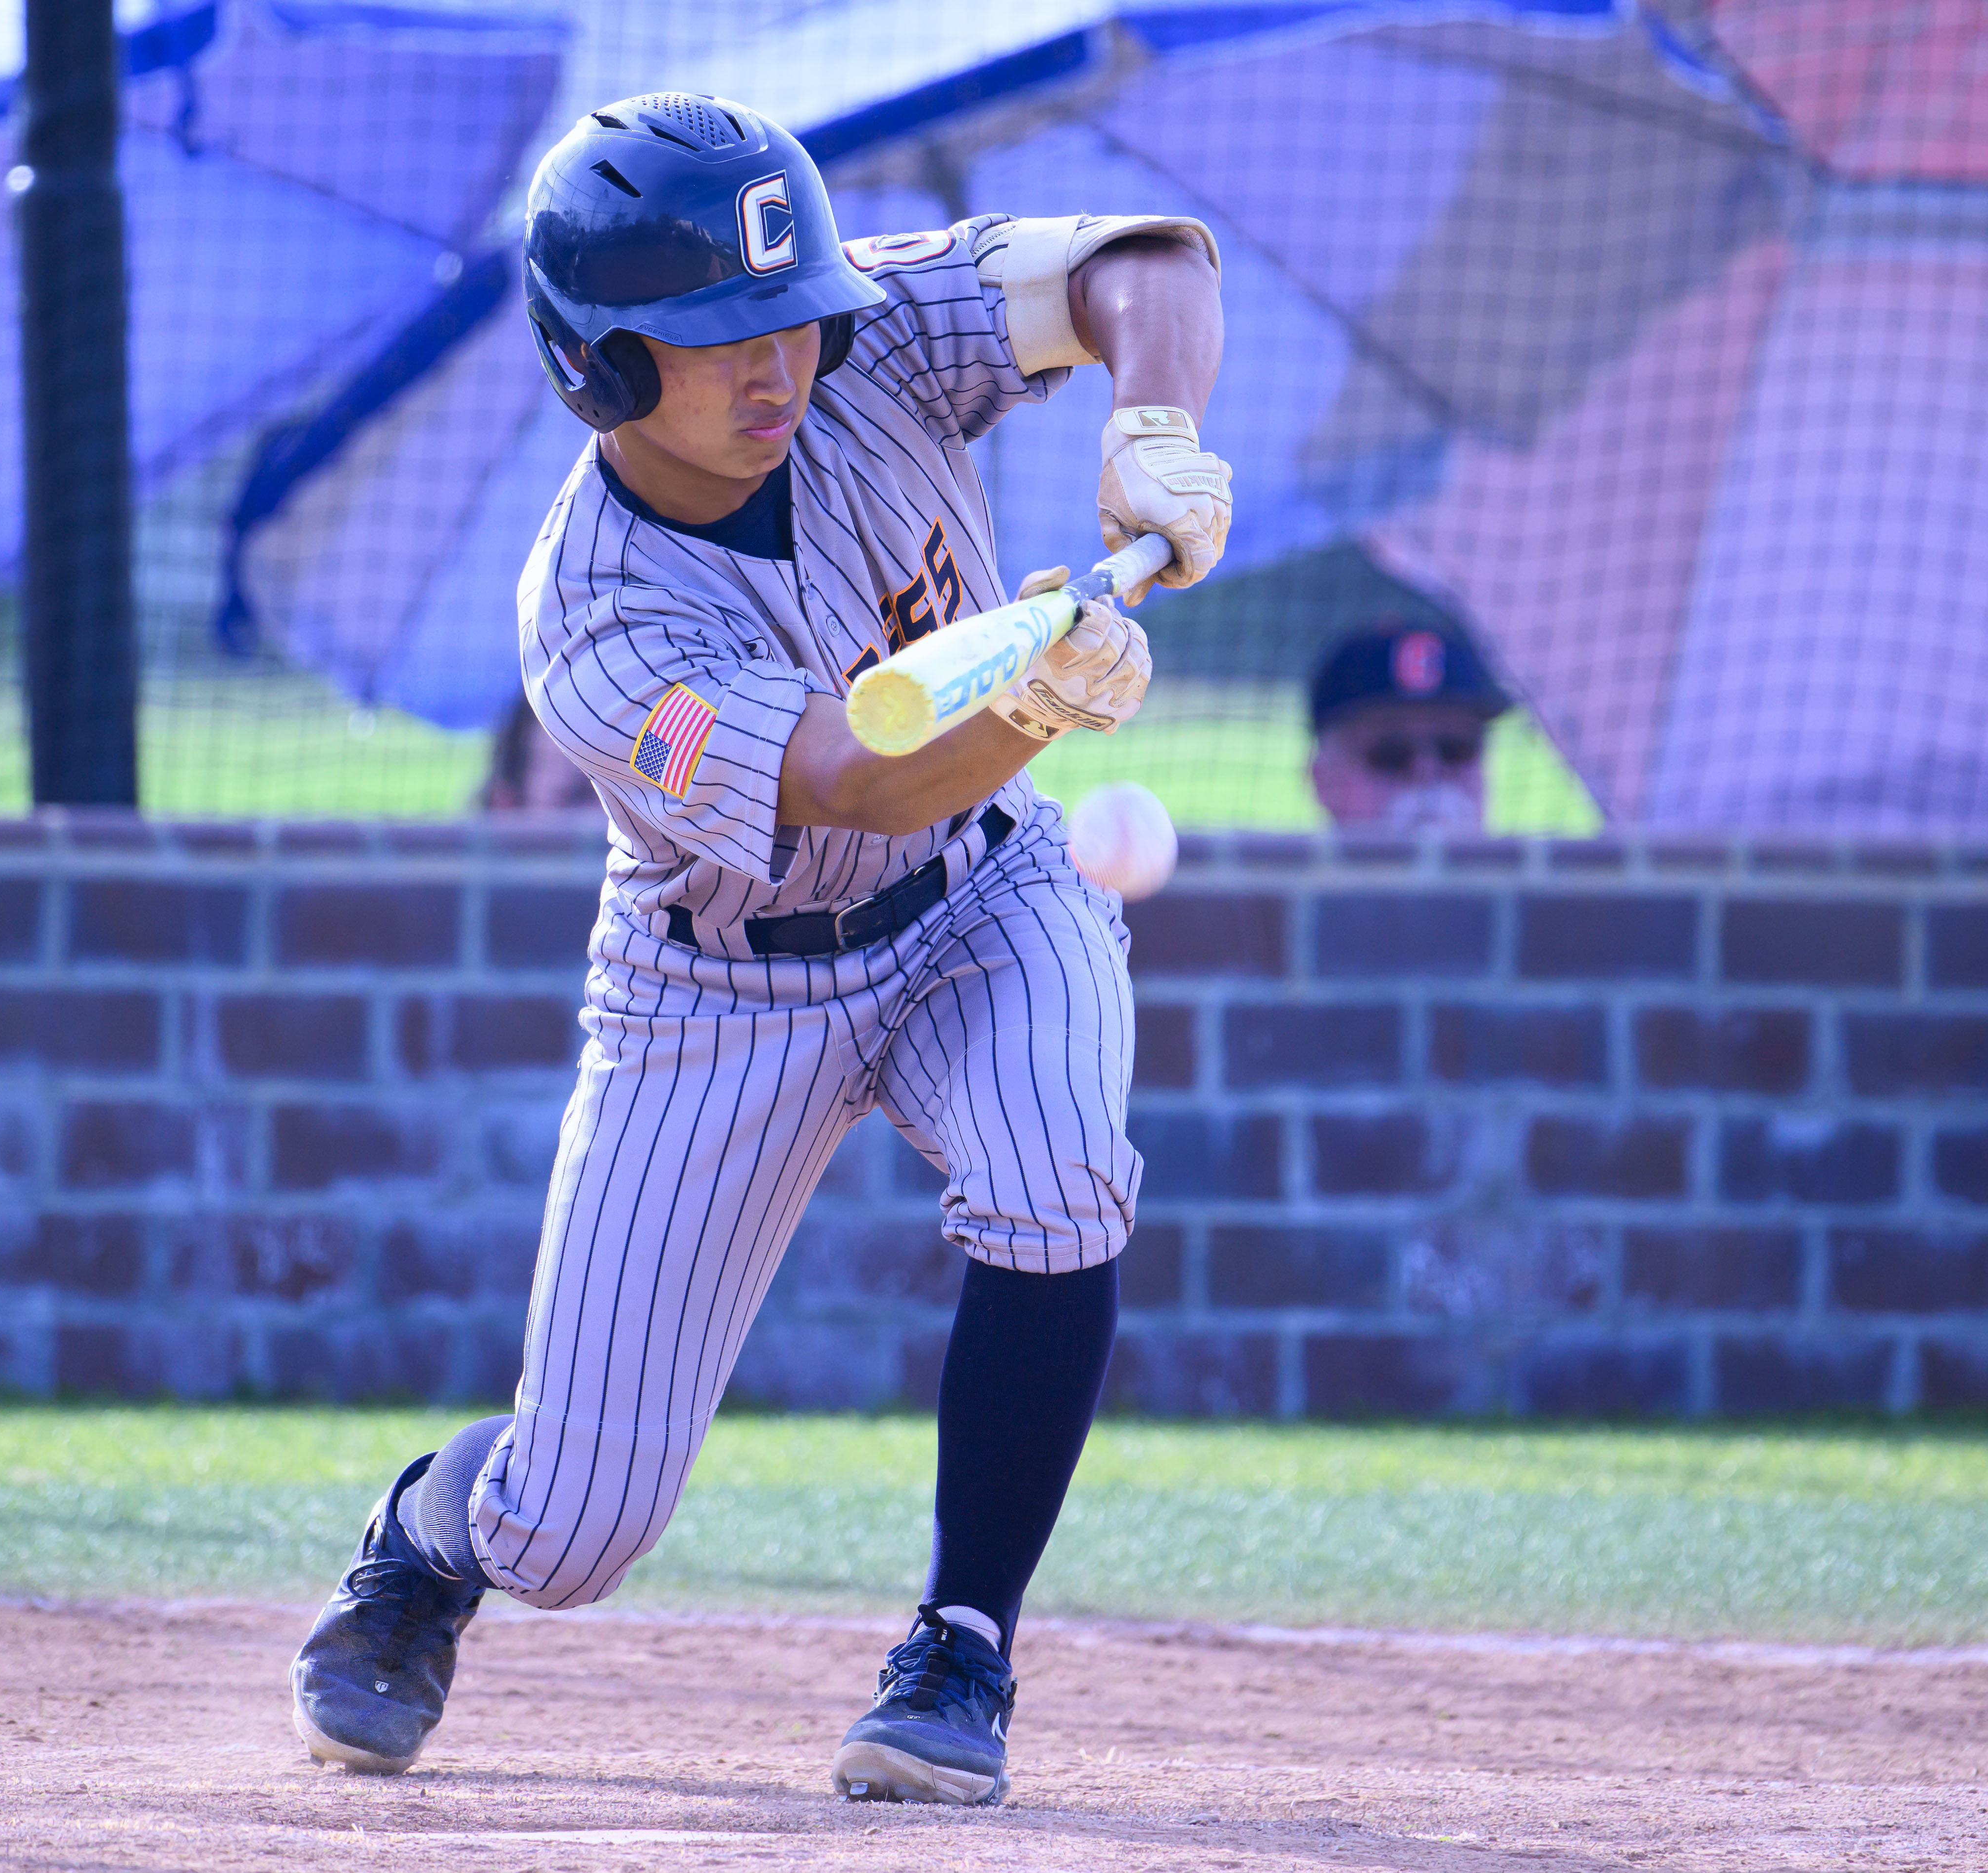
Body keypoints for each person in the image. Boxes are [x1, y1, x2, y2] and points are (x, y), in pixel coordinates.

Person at [288, 91, 1230, 1808]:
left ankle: (961, 1642)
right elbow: (855, 772)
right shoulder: (595, 614)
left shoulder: (860, 331)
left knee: (1059, 1163)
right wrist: (1036, 696)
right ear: (598, 364)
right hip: (718, 987)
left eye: (785, 317)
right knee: (572, 1528)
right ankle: (429, 1534)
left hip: (982, 891)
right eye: (714, 337)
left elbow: (1142, 260)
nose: (777, 361)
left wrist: (1151, 419)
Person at [1306, 617, 1511, 830]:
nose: (1428, 773)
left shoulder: (1536, 864)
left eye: (1455, 750)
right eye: (1392, 755)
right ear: (1324, 781)